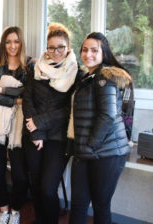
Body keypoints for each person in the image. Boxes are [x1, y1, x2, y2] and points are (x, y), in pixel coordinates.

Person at [68, 32, 131, 224]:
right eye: (85, 50)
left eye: (94, 50)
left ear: (104, 52)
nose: (88, 54)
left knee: (100, 205)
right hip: (87, 151)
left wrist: (89, 146)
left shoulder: (105, 77)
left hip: (108, 153)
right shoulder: (87, 76)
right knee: (78, 203)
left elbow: (108, 115)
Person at [22, 23, 79, 224]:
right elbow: (27, 99)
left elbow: (69, 110)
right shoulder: (36, 69)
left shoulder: (75, 73)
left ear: (69, 48)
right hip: (33, 135)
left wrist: (39, 123)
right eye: (51, 47)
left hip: (58, 137)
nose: (55, 52)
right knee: (36, 185)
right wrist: (35, 132)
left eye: (60, 47)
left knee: (48, 188)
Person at [0, 26, 30, 224]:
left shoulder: (29, 67)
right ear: (4, 44)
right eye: (8, 42)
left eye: (16, 41)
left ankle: (15, 210)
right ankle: (3, 211)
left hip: (20, 126)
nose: (12, 46)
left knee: (20, 176)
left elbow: (27, 94)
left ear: (21, 43)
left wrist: (3, 90)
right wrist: (13, 100)